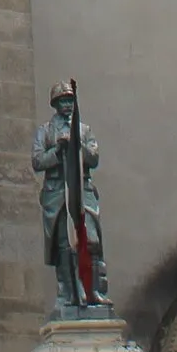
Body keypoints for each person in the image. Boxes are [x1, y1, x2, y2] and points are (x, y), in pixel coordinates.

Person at [33, 79, 109, 312]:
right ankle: (68, 294)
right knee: (65, 245)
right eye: (63, 100)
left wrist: (76, 146)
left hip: (81, 191)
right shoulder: (45, 131)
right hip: (57, 193)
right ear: (55, 104)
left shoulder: (83, 131)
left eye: (70, 100)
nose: (67, 105)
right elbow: (37, 161)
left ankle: (93, 290)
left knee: (90, 240)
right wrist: (57, 151)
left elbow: (93, 158)